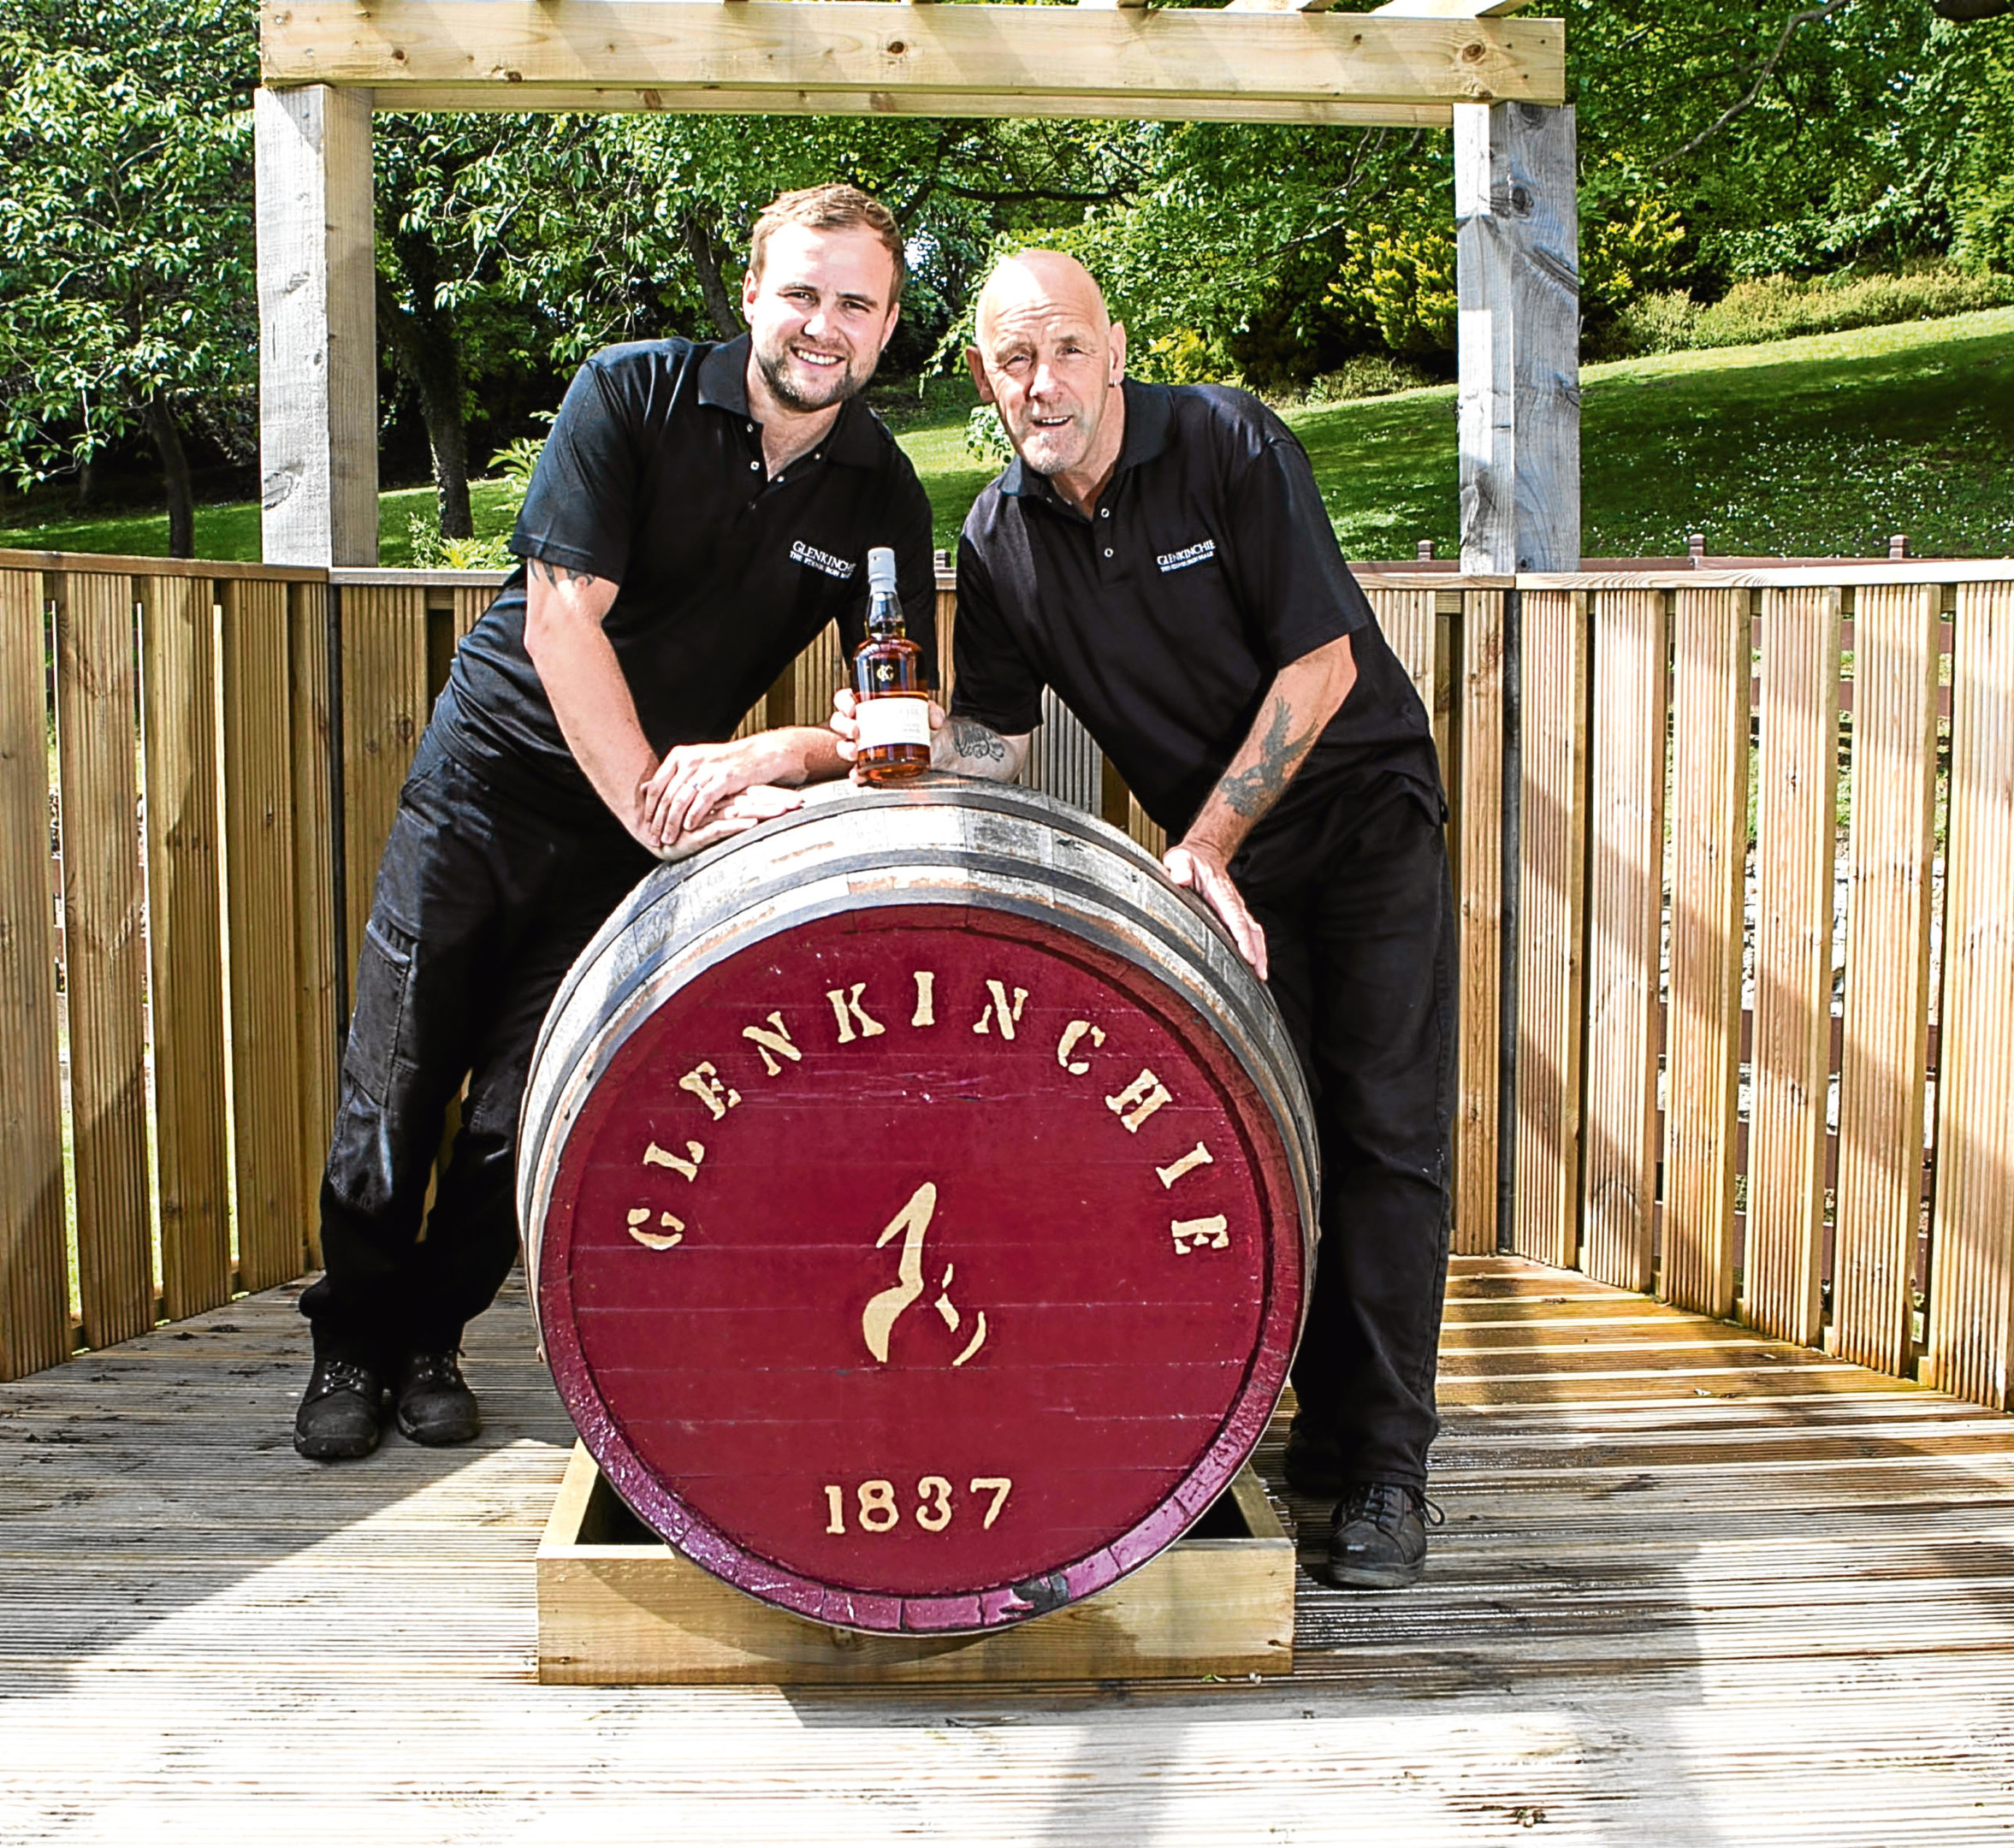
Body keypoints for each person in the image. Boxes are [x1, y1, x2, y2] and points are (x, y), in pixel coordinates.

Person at [839, 251, 1453, 1587]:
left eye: (1063, 349)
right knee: (1260, 1148)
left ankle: (1389, 1469)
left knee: (1383, 1135)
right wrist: (882, 748)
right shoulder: (999, 535)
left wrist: (1211, 840)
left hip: (1358, 824)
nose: (1041, 381)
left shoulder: (1227, 439)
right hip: (1215, 870)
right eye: (1012, 360)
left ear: (1114, 350)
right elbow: (998, 742)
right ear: (984, 379)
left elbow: (1325, 660)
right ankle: (1315, 1432)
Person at [294, 184, 936, 1461]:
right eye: (802, 293)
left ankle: (433, 1342)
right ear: (752, 293)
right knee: (401, 1067)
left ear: (886, 325)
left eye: (855, 304)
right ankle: (350, 1347)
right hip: (493, 782)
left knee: (522, 1103)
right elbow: (558, 618)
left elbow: (902, 711)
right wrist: (659, 798)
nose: (824, 325)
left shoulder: (880, 491)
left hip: (638, 827)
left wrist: (777, 751)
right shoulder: (628, 394)